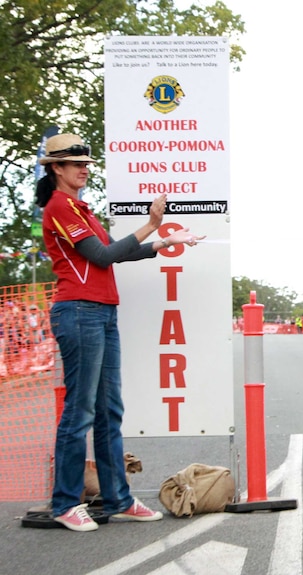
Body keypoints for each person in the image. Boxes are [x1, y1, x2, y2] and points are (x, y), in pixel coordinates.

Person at [36, 133, 204, 531]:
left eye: (86, 164)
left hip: (101, 312)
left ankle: (117, 498)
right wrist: (150, 226)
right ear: (56, 168)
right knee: (79, 413)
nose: (83, 169)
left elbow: (116, 250)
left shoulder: (81, 208)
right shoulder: (60, 207)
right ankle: (64, 503)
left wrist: (162, 238)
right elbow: (104, 255)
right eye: (75, 164)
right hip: (78, 312)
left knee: (108, 411)